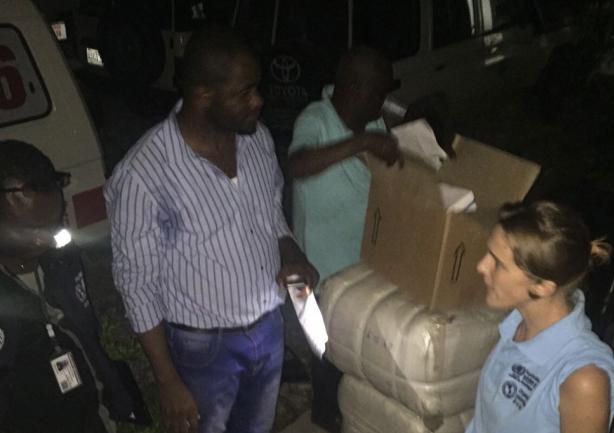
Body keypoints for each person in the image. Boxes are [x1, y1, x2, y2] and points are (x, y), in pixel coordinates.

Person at [104, 26, 318, 433]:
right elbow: (136, 285)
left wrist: (291, 252)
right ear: (203, 96)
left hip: (268, 328)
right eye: (245, 92)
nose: (259, 101)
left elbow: (271, 215)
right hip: (204, 348)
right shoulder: (144, 173)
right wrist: (167, 381)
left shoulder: (256, 140)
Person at [0, 140, 145, 433]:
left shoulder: (60, 258)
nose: (46, 239)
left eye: (52, 224)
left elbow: (87, 334)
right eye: (30, 231)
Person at [468, 201, 614, 433]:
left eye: (498, 263)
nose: (481, 266)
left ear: (542, 287)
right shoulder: (517, 323)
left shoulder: (583, 379)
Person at [287, 45, 401, 290]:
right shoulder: (315, 119)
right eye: (378, 93)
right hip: (323, 275)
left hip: (364, 265)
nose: (383, 102)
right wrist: (362, 143)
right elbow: (297, 165)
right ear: (354, 89)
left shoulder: (375, 123)